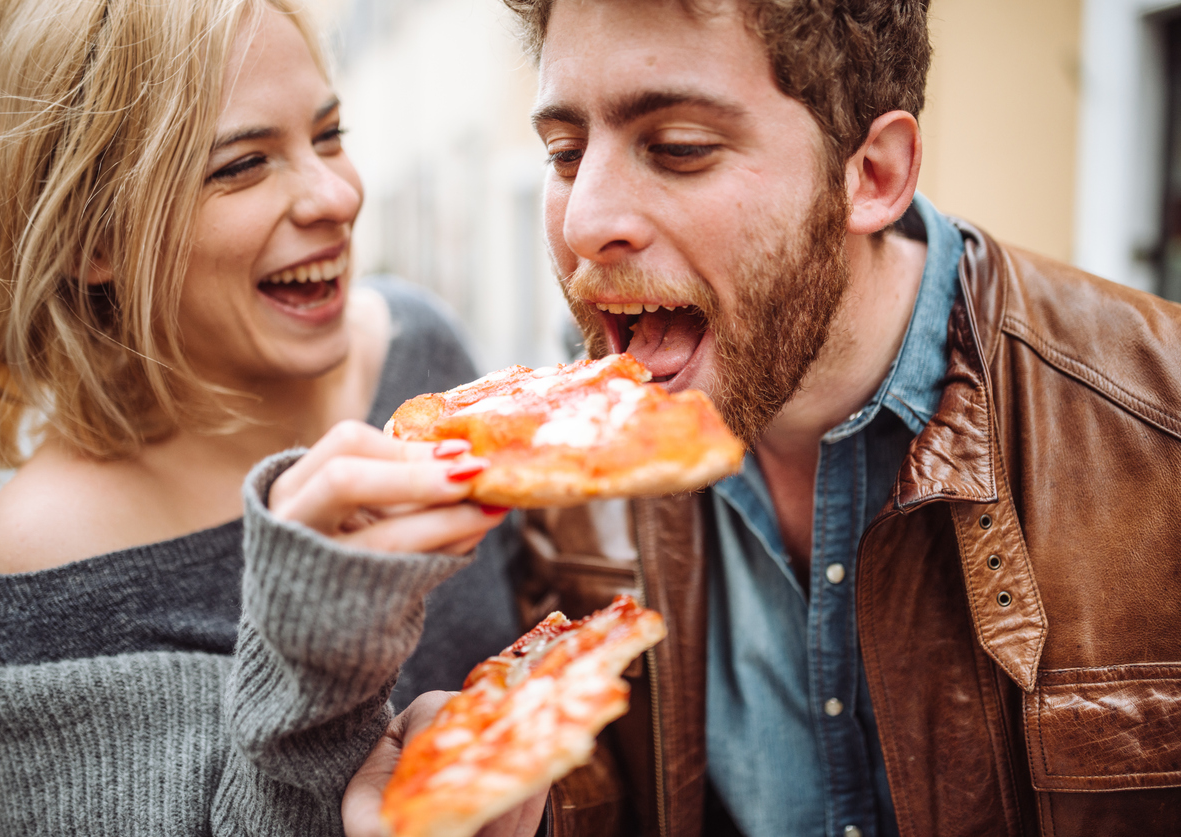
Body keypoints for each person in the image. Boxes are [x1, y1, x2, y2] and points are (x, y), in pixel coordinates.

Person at [343, 0, 1181, 835]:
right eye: (564, 154)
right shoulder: (551, 474)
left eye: (678, 149)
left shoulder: (1157, 429)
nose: (584, 220)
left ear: (874, 174)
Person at [0, 0, 540, 834]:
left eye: (328, 135)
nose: (337, 194)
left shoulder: (417, 350)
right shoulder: (54, 543)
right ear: (91, 238)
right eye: (243, 165)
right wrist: (309, 662)